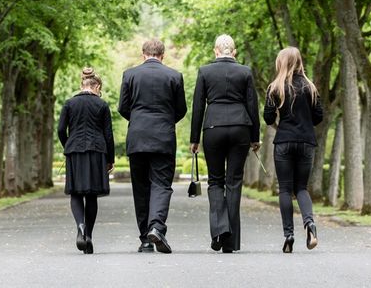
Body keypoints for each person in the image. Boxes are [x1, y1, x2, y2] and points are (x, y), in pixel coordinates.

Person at [190, 34, 260, 253]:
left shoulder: (205, 71)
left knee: (215, 181)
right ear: (234, 51)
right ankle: (230, 241)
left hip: (213, 128)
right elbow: (252, 105)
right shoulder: (245, 72)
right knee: (234, 181)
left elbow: (198, 106)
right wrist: (255, 137)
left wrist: (194, 139)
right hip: (241, 127)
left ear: (215, 51)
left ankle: (220, 229)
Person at [118, 38, 187, 254]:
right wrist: (166, 121)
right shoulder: (174, 76)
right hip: (163, 137)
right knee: (161, 184)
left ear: (143, 54)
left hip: (137, 136)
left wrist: (138, 120)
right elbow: (181, 109)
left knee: (140, 188)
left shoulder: (130, 75)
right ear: (162, 55)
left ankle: (145, 239)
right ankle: (156, 227)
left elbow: (123, 107)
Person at [263, 47, 323, 253]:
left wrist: (280, 121)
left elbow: (268, 117)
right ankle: (310, 224)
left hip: (284, 142)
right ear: (299, 62)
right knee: (302, 188)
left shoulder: (275, 87)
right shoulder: (310, 87)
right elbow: (319, 116)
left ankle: (288, 234)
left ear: (281, 63)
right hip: (306, 142)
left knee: (285, 189)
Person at [58, 67, 115, 254]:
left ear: (82, 85)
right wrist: (110, 159)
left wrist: (68, 145)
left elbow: (60, 130)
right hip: (97, 151)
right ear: (96, 86)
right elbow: (108, 134)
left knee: (75, 192)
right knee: (91, 194)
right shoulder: (102, 105)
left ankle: (80, 226)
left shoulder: (69, 103)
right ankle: (88, 235)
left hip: (74, 151)